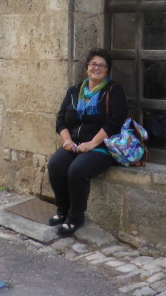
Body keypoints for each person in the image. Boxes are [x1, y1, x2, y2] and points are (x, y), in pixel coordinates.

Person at [47, 48, 128, 236]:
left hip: (102, 146)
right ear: (87, 67)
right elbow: (61, 119)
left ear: (107, 70)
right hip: (75, 143)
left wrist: (92, 143)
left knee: (77, 170)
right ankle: (62, 211)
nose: (96, 68)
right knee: (56, 165)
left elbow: (114, 122)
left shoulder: (113, 91)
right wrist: (67, 140)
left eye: (101, 65)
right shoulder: (75, 91)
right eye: (93, 64)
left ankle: (75, 218)